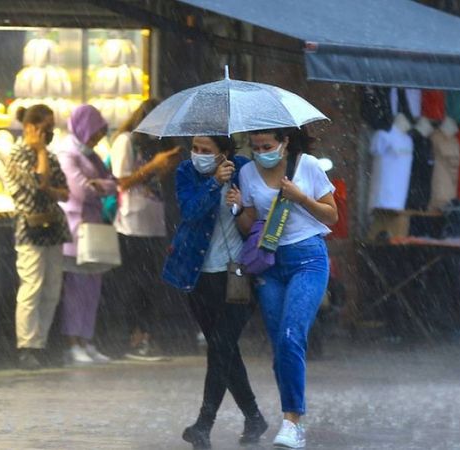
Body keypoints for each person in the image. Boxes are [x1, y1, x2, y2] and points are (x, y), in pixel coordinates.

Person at [234, 127, 338, 449]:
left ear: (284, 143)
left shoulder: (306, 165)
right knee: (280, 346)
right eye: (255, 146)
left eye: (267, 145)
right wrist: (238, 208)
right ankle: (293, 418)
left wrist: (301, 198)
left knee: (293, 335)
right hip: (270, 263)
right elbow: (250, 226)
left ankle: (292, 421)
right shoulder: (249, 173)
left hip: (308, 258)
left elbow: (332, 215)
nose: (261, 151)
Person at [162, 135, 268, 449]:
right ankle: (254, 417)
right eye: (195, 149)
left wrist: (237, 207)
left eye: (206, 151)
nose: (197, 155)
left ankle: (203, 425)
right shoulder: (185, 172)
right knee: (225, 352)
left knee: (221, 347)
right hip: (198, 277)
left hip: (238, 277)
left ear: (224, 153)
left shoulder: (245, 170)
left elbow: (259, 214)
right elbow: (190, 212)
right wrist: (212, 185)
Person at [108, 98, 180, 361]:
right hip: (131, 223)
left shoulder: (154, 144)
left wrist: (164, 167)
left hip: (154, 221)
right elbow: (123, 181)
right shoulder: (125, 141)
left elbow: (152, 182)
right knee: (134, 283)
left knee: (151, 283)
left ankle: (148, 335)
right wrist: (155, 164)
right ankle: (134, 337)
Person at [6, 104, 71, 371]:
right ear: (30, 128)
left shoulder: (52, 156)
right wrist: (41, 153)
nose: (49, 134)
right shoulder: (17, 155)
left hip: (53, 227)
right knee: (31, 286)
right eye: (45, 129)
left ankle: (41, 343)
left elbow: (64, 191)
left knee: (51, 288)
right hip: (30, 229)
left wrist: (49, 187)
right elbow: (39, 181)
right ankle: (27, 346)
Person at [56, 105, 118, 365]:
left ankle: (86, 338)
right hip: (74, 229)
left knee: (92, 287)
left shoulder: (90, 155)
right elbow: (79, 190)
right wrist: (101, 187)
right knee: (76, 288)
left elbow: (113, 183)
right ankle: (73, 342)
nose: (96, 140)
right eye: (94, 134)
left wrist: (100, 186)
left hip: (93, 229)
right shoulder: (67, 152)